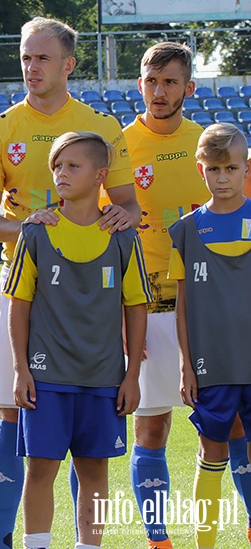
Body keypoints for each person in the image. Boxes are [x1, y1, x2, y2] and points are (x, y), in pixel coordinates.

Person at [0, 16, 140, 549]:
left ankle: (85, 541)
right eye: (25, 56)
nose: (31, 67)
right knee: (13, 413)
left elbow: (130, 208)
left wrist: (118, 217)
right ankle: (8, 540)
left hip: (90, 296)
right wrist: (35, 226)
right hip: (22, 286)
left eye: (42, 58)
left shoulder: (101, 128)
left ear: (68, 64)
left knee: (90, 437)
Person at [122, 42, 250, 549]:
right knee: (151, 428)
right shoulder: (119, 146)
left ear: (189, 88)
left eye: (170, 82)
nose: (160, 91)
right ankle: (159, 540)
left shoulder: (213, 146)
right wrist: (119, 313)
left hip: (213, 314)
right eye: (152, 82)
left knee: (234, 426)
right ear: (140, 85)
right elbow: (107, 231)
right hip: (149, 306)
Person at [8, 131, 149, 549]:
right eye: (56, 166)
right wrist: (21, 370)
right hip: (46, 376)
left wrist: (132, 376)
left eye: (73, 165)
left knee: (94, 473)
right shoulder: (35, 232)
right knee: (40, 469)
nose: (61, 174)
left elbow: (136, 306)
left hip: (103, 379)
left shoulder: (123, 237)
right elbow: (19, 305)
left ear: (101, 175)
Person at [171, 123, 251, 549]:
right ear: (200, 169)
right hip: (211, 365)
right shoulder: (185, 230)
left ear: (245, 168)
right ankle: (205, 544)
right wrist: (186, 363)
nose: (223, 178)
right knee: (212, 453)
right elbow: (183, 305)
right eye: (214, 169)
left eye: (231, 168)